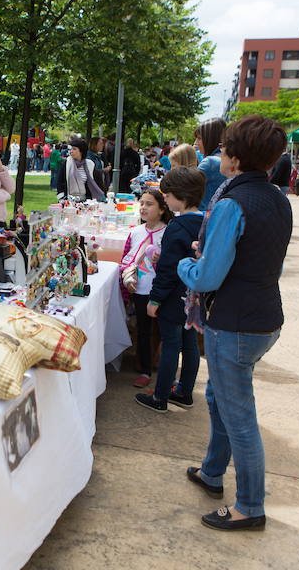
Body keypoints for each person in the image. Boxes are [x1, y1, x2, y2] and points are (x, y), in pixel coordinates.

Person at [177, 114, 292, 532]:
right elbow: (254, 255)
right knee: (219, 399)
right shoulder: (278, 198)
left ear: (235, 158)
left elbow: (208, 277)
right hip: (264, 319)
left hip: (237, 323)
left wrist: (189, 265)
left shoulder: (231, 202)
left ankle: (249, 505)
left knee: (239, 415)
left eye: (224, 148)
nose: (219, 154)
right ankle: (211, 472)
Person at [135, 166, 205, 413]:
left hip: (173, 297)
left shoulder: (176, 226)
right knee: (189, 344)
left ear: (181, 196)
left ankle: (160, 396)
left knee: (171, 344)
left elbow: (167, 269)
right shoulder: (205, 222)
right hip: (194, 296)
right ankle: (184, 391)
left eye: (167, 194)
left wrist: (155, 299)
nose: (164, 198)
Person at [121, 187, 171, 388]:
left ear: (161, 209)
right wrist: (127, 279)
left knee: (162, 330)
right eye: (141, 203)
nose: (143, 207)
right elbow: (126, 259)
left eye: (149, 204)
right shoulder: (135, 232)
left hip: (160, 290)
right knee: (143, 330)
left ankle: (160, 362)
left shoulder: (167, 233)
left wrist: (161, 259)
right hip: (140, 289)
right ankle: (144, 369)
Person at [194, 118, 227, 210]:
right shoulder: (224, 158)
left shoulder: (210, 162)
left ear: (210, 138)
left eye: (199, 138)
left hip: (203, 217)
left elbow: (185, 188)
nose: (196, 143)